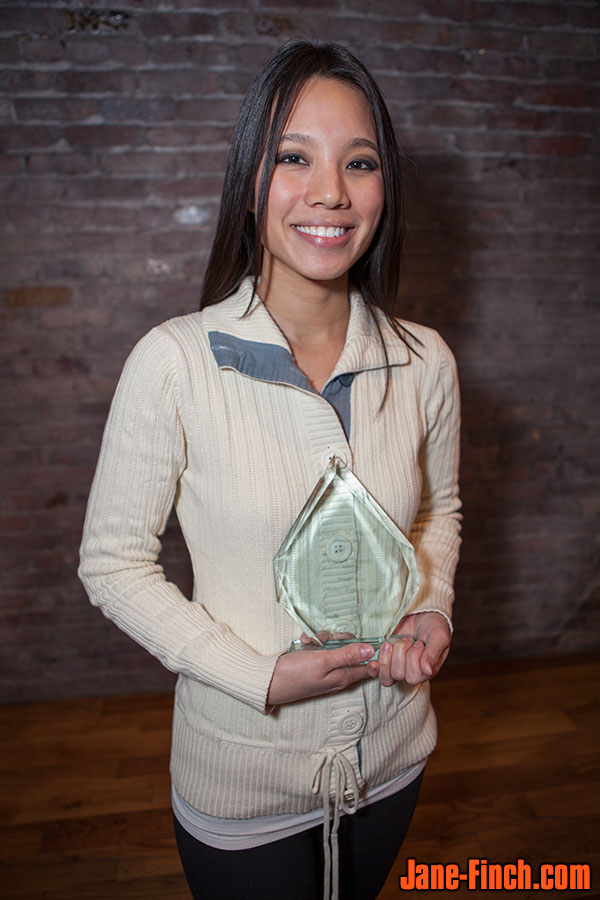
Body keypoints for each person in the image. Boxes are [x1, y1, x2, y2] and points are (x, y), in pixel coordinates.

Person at [79, 40, 461, 900]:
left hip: (395, 756)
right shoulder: (173, 362)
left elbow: (440, 511)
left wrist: (431, 606)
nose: (330, 190)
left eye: (358, 162)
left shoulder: (426, 360)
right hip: (240, 780)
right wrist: (261, 678)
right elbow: (112, 564)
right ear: (250, 179)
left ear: (383, 188)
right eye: (295, 156)